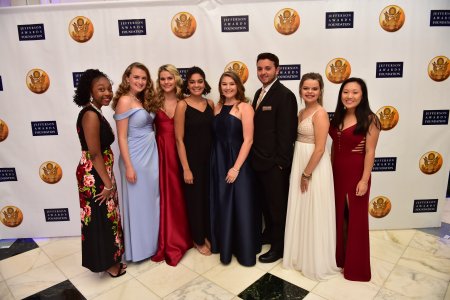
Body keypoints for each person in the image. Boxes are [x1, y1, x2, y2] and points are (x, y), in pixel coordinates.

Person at [283, 73, 340, 280]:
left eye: (314, 88)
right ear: (300, 90)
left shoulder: (321, 113)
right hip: (300, 159)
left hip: (313, 166)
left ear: (320, 91)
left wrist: (306, 174)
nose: (310, 92)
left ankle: (314, 259)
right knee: (302, 207)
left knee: (313, 209)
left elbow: (320, 148)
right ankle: (300, 254)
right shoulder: (301, 112)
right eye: (306, 88)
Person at [73, 69, 125, 277]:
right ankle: (110, 266)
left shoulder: (95, 110)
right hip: (94, 176)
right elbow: (94, 154)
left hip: (100, 174)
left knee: (105, 216)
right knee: (101, 218)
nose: (107, 93)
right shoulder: (90, 115)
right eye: (101, 89)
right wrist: (108, 185)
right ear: (90, 91)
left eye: (109, 89)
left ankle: (110, 259)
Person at [329, 77, 381, 281]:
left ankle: (356, 268)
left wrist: (364, 180)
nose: (349, 96)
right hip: (337, 173)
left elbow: (370, 151)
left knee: (355, 220)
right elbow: (334, 146)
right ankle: (339, 260)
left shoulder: (370, 119)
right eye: (345, 92)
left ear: (362, 95)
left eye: (355, 92)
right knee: (339, 216)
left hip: (356, 174)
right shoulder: (338, 116)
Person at [210, 71, 261, 266]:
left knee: (240, 204)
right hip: (219, 160)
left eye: (231, 84)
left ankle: (244, 250)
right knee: (223, 203)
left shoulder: (245, 107)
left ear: (238, 85)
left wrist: (236, 168)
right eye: (224, 84)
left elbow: (248, 140)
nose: (228, 87)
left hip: (238, 161)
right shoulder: (217, 107)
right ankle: (226, 246)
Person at [251, 53, 298, 263]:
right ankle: (269, 234)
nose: (263, 72)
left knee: (278, 207)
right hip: (258, 162)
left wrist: (281, 163)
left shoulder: (285, 95)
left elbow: (287, 133)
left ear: (277, 70)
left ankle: (279, 248)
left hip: (275, 165)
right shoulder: (258, 93)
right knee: (265, 205)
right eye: (260, 68)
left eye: (268, 68)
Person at [112, 62, 160, 262]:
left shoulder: (142, 99)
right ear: (127, 78)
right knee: (138, 204)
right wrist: (129, 166)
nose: (140, 81)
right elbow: (121, 136)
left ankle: (151, 246)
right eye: (136, 77)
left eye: (144, 78)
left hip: (150, 157)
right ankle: (138, 250)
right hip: (135, 159)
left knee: (151, 202)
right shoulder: (124, 100)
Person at [151, 64, 192, 266]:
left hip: (180, 153)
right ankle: (167, 239)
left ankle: (183, 237)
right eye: (162, 79)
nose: (166, 82)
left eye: (169, 78)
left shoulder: (184, 102)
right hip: (159, 154)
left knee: (180, 195)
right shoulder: (152, 102)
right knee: (165, 195)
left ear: (176, 79)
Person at [174, 66, 214, 256]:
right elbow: (179, 139)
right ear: (187, 85)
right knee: (195, 201)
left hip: (210, 161)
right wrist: (186, 168)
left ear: (204, 83)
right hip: (192, 162)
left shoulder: (211, 104)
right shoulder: (182, 105)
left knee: (207, 200)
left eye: (200, 81)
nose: (196, 85)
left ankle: (206, 233)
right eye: (192, 82)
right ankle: (197, 239)